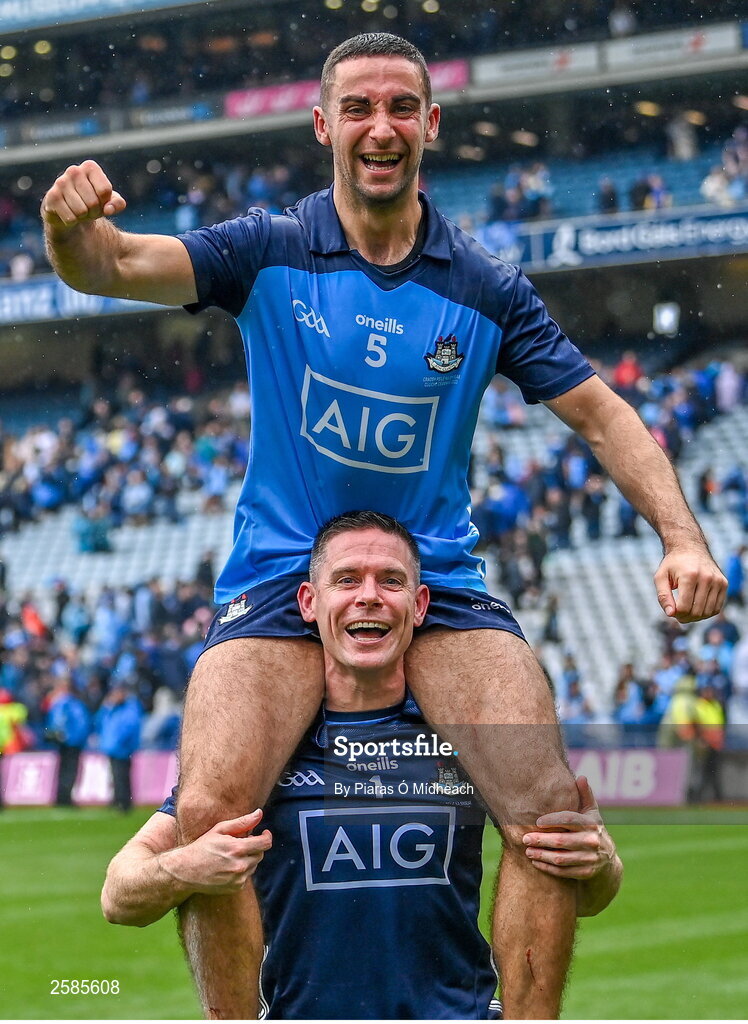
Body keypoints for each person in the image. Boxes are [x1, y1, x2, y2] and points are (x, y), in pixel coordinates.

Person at [41, 32, 723, 1018]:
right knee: (209, 815)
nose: (380, 126)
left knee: (547, 817)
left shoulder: (485, 288)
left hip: (434, 581)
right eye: (357, 107)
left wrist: (683, 535)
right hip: (281, 579)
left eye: (401, 106)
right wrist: (68, 230)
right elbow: (107, 264)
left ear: (430, 125)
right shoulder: (266, 248)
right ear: (324, 125)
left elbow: (603, 412)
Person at [101, 512, 623, 1019]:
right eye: (346, 580)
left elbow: (585, 895)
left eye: (391, 582)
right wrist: (182, 869)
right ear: (309, 602)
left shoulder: (465, 735)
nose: (368, 596)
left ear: (420, 606)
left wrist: (599, 866)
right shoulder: (262, 746)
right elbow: (118, 897)